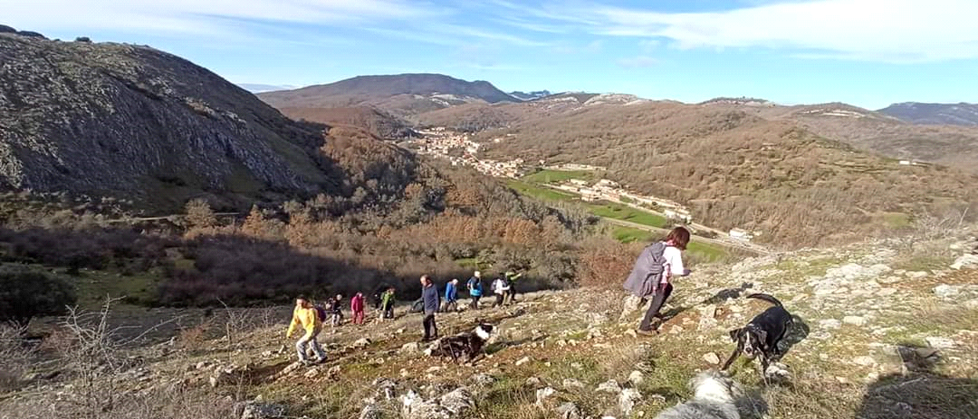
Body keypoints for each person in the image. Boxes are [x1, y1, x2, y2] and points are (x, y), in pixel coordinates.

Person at [630, 227, 691, 336]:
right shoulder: (675, 251)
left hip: (652, 278)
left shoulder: (661, 245)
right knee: (657, 300)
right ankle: (644, 327)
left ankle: (656, 311)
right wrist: (687, 272)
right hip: (660, 281)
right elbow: (678, 271)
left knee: (669, 288)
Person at [286, 297, 327, 364]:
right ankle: (322, 356)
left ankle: (303, 360)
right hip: (308, 329)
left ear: (306, 302)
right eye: (298, 303)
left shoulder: (311, 310)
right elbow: (295, 321)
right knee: (312, 342)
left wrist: (309, 335)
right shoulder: (297, 309)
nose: (300, 305)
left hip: (315, 328)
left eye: (302, 303)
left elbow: (313, 324)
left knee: (300, 344)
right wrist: (289, 332)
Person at [420, 275, 440, 342]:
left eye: (423, 281)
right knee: (427, 322)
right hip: (426, 307)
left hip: (432, 308)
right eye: (421, 281)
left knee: (429, 321)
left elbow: (437, 299)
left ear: (428, 280)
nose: (422, 283)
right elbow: (423, 297)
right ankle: (428, 335)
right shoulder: (424, 288)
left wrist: (436, 309)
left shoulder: (434, 288)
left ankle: (432, 335)